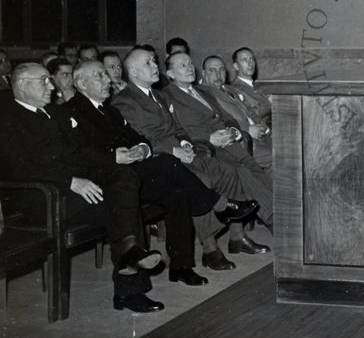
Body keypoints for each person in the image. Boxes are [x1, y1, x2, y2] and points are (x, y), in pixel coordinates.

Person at [63, 60, 258, 285]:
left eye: (106, 75)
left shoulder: (110, 111)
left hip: (129, 174)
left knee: (178, 193)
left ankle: (182, 266)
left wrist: (142, 148)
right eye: (99, 76)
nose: (108, 80)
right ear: (81, 83)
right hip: (105, 183)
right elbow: (77, 152)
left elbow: (137, 137)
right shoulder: (71, 111)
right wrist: (113, 156)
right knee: (167, 163)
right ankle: (219, 204)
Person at [0, 63, 163, 313]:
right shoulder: (7, 117)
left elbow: (80, 150)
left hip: (75, 187)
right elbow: (16, 168)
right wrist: (70, 182)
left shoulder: (54, 112)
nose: (51, 86)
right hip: (40, 198)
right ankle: (129, 289)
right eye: (43, 80)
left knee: (124, 181)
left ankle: (130, 256)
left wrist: (111, 159)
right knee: (123, 210)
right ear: (22, 84)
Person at [111, 48, 264, 268]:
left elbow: (178, 128)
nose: (156, 67)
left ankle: (236, 236)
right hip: (156, 161)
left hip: (181, 151)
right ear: (133, 72)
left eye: (155, 62)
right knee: (201, 178)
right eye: (149, 64)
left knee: (227, 169)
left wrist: (185, 143)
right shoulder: (124, 101)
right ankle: (210, 248)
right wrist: (175, 150)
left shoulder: (159, 95)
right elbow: (140, 138)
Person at [163, 52, 272, 253]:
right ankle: (270, 224)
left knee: (251, 166)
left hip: (226, 142)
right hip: (202, 148)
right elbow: (176, 128)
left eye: (190, 63)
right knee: (236, 170)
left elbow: (226, 117)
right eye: (182, 65)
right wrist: (208, 138)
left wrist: (233, 130)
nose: (189, 68)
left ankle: (243, 235)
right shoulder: (167, 96)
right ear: (170, 73)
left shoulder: (203, 92)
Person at [199, 55, 270, 150]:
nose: (218, 74)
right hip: (241, 141)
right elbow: (217, 121)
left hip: (260, 135)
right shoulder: (203, 93)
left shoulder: (231, 89)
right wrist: (247, 129)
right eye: (212, 70)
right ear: (204, 73)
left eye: (222, 69)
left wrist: (265, 129)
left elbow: (249, 111)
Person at [230, 47, 272, 171]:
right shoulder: (235, 88)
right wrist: (270, 101)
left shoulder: (256, 85)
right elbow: (251, 114)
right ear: (236, 66)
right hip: (260, 137)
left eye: (252, 59)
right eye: (244, 60)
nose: (250, 63)